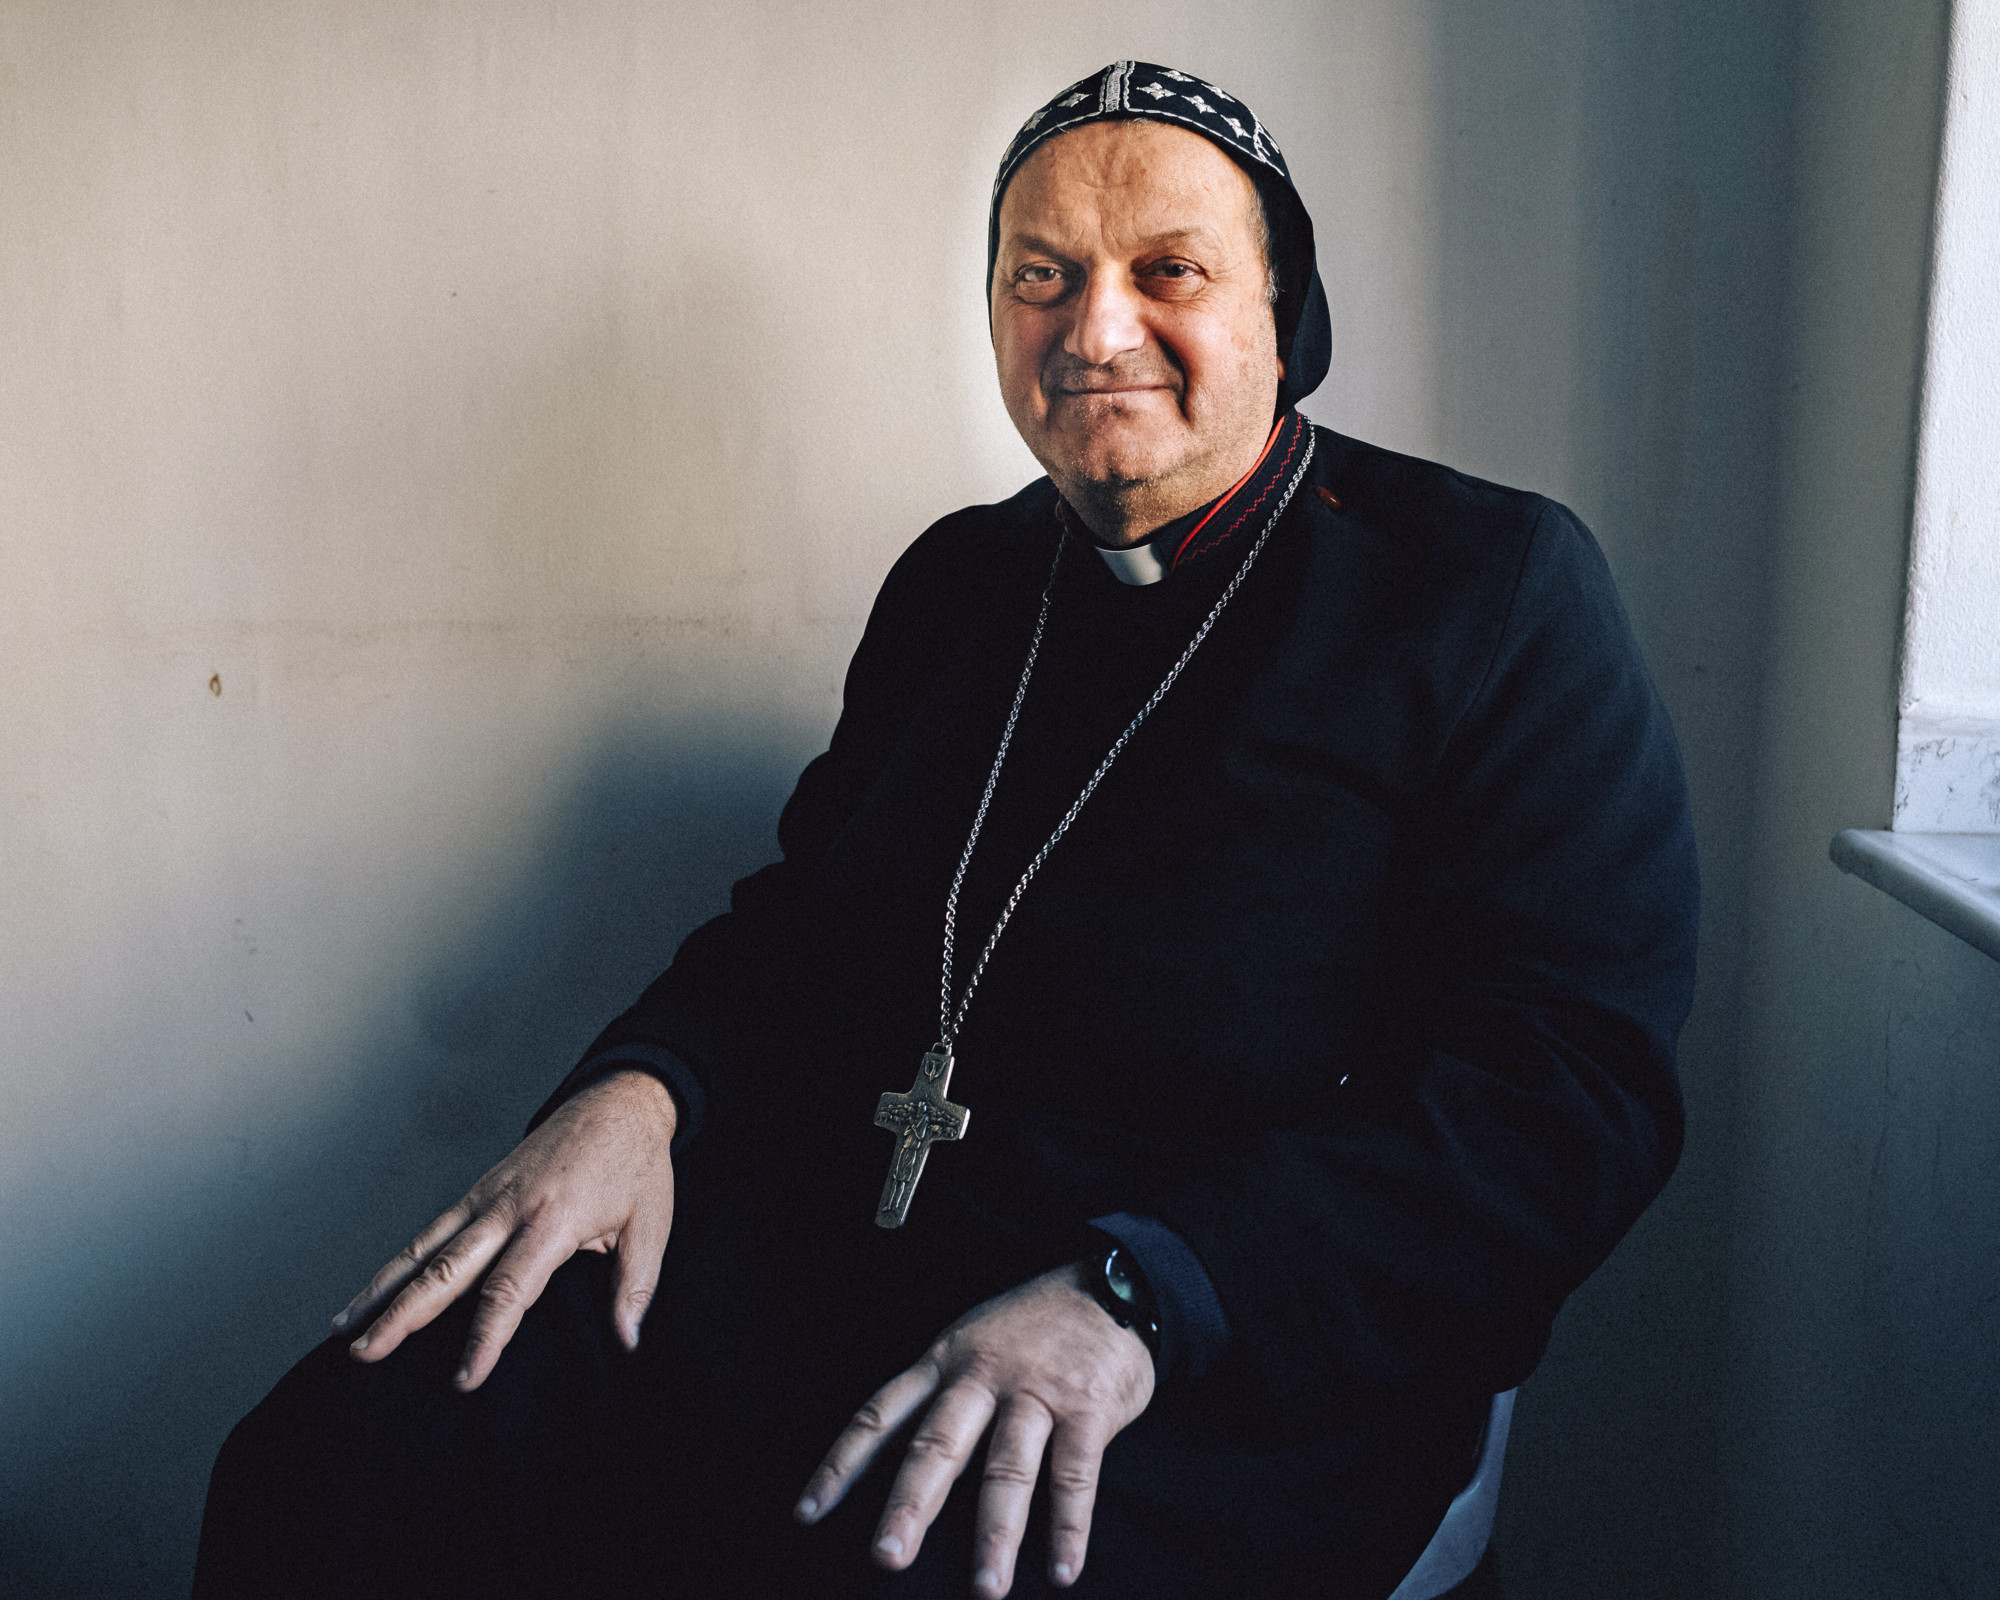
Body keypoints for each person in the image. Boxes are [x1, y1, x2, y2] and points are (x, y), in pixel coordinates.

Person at [194, 61, 1698, 1600]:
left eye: (1168, 272)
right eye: (1042, 276)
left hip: (1227, 1340)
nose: (1095, 331)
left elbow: (1566, 1089)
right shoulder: (961, 583)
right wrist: (643, 1093)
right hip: (835, 1266)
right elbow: (807, 930)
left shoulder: (1488, 587)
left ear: (1283, 310)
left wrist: (1148, 1293)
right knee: (337, 1460)